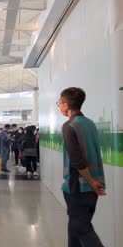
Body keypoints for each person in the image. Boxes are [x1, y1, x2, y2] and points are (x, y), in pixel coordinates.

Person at [58, 87, 106, 247]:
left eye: (59, 103)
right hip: (94, 185)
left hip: (79, 186)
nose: (59, 106)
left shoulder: (69, 125)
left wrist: (91, 182)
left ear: (65, 105)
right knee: (75, 227)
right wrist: (94, 182)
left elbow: (76, 160)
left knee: (82, 229)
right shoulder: (89, 123)